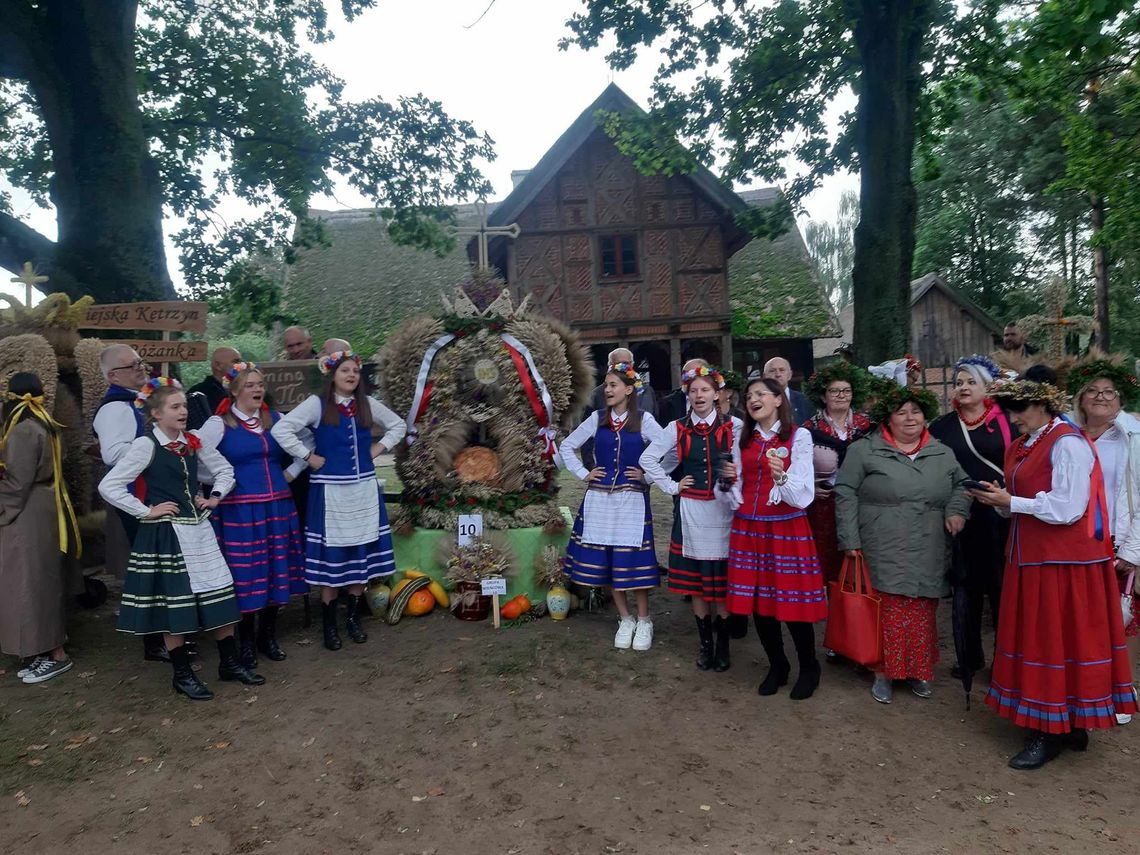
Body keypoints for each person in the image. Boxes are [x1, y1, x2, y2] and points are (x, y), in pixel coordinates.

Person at [973, 378, 1137, 769]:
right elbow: (1025, 504)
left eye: (1019, 410)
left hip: (1064, 565)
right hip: (1032, 558)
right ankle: (1068, 725)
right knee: (1047, 641)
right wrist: (999, 500)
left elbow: (1068, 507)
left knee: (1056, 643)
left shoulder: (1068, 443)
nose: (1013, 418)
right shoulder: (1024, 445)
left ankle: (1053, 731)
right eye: (1010, 410)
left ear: (1043, 407)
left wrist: (1011, 500)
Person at [99, 379, 264, 700]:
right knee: (174, 604)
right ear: (156, 414)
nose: (183, 411)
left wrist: (214, 496)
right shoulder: (146, 445)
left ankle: (229, 663)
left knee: (218, 591)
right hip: (167, 533)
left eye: (184, 406)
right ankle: (182, 674)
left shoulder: (193, 441)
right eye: (175, 407)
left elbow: (225, 471)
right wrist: (146, 511)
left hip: (198, 529)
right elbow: (110, 485)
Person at [835, 385, 969, 704]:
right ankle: (883, 672)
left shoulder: (941, 451)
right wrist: (849, 538)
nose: (910, 418)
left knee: (922, 607)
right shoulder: (864, 450)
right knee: (887, 607)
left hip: (929, 541)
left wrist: (956, 511)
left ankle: (917, 669)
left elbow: (962, 485)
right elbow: (845, 493)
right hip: (881, 540)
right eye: (901, 412)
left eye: (916, 411)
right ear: (888, 419)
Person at [271, 350, 405, 650]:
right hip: (330, 491)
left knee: (359, 556)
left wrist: (378, 448)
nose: (351, 375)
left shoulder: (366, 404)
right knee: (332, 562)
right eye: (345, 370)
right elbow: (282, 429)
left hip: (362, 491)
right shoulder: (317, 405)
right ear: (332, 375)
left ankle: (353, 620)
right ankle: (329, 626)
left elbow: (398, 425)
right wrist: (307, 456)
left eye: (355, 371)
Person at [196, 362, 308, 668]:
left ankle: (267, 637)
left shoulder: (278, 420)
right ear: (233, 390)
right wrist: (220, 481)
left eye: (260, 384)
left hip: (278, 506)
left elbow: (307, 443)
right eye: (250, 385)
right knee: (246, 575)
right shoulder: (219, 424)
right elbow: (197, 455)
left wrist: (291, 471)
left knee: (275, 569)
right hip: (239, 510)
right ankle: (245, 641)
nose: (257, 389)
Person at [724, 377, 827, 700]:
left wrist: (781, 477)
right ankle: (778, 665)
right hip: (749, 529)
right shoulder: (741, 439)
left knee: (792, 601)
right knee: (760, 603)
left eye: (760, 394)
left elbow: (803, 494)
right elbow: (734, 489)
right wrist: (728, 484)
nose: (753, 399)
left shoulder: (799, 437)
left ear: (778, 399)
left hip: (786, 528)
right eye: (749, 395)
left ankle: (809, 667)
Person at [641, 364, 739, 671]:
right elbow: (647, 459)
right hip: (692, 509)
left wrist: (737, 478)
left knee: (721, 583)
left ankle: (723, 646)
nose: (699, 395)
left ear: (716, 393)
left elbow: (749, 461)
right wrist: (672, 485)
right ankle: (705, 644)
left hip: (724, 511)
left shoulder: (734, 426)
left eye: (705, 390)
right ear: (687, 393)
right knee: (697, 583)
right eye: (694, 390)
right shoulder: (677, 427)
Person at [561, 362, 664, 650]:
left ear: (629, 389)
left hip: (631, 500)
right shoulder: (597, 418)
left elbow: (672, 446)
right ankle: (625, 618)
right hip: (600, 500)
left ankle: (644, 620)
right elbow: (567, 446)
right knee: (609, 559)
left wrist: (648, 475)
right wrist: (584, 473)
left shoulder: (644, 420)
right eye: (606, 385)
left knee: (633, 559)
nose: (607, 389)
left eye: (613, 385)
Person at [929, 354, 1016, 678]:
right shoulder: (942, 426)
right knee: (964, 587)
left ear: (987, 387)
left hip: (1001, 516)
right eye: (959, 382)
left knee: (1001, 590)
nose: (964, 388)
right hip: (960, 516)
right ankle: (968, 658)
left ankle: (1005, 661)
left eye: (971, 382)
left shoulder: (1009, 421)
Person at [92, 343, 179, 664]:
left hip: (154, 492)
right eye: (133, 365)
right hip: (139, 496)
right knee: (151, 568)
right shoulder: (115, 408)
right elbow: (113, 454)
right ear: (114, 375)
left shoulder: (137, 401)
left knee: (162, 566)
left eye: (141, 362)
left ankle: (169, 635)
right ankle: (155, 642)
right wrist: (155, 445)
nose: (141, 367)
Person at [1067, 356, 1140, 726]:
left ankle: (1119, 688)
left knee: (1117, 620)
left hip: (1115, 541)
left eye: (1109, 392)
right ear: (1080, 399)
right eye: (1093, 391)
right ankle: (1088, 687)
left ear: (1120, 400)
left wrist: (1132, 550)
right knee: (1083, 620)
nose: (1100, 397)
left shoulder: (1133, 437)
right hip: (1074, 544)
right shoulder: (1067, 435)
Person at [0, 373, 81, 684]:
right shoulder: (46, 426)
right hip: (45, 507)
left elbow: (17, 483)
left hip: (27, 513)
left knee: (31, 584)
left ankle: (54, 653)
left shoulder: (23, 431)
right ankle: (43, 651)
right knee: (40, 580)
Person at [801, 362, 873, 586]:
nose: (841, 396)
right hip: (824, 506)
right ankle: (834, 615)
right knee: (828, 564)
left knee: (860, 561)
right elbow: (799, 467)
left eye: (846, 390)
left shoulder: (867, 426)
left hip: (862, 504)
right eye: (834, 391)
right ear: (823, 396)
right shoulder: (809, 428)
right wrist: (811, 488)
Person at [589, 348, 657, 419]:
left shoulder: (647, 391)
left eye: (626, 364)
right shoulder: (596, 394)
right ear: (610, 366)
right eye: (618, 364)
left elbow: (655, 418)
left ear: (632, 364)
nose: (623, 368)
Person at [188, 346, 241, 421]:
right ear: (218, 366)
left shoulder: (243, 390)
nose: (241, 366)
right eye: (236, 362)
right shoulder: (198, 394)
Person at [763, 357, 813, 425]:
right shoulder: (759, 402)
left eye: (782, 370)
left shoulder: (805, 400)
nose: (778, 374)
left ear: (790, 375)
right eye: (772, 371)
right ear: (764, 376)